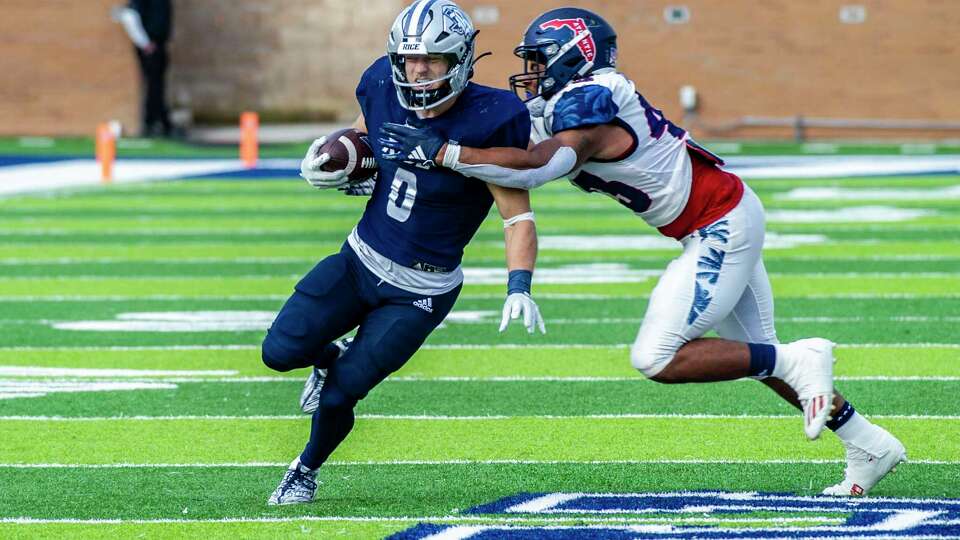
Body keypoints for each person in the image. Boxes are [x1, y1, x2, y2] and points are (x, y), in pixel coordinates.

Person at [378, 7, 906, 497]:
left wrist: (447, 153)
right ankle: (868, 444)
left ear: (573, 55)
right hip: (716, 219)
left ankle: (803, 357)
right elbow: (505, 148)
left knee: (658, 357)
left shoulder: (593, 97)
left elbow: (540, 166)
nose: (531, 72)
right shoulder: (563, 101)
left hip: (718, 223)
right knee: (758, 355)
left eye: (539, 60)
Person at [261, 0, 545, 506]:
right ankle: (324, 359)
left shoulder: (491, 119)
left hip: (421, 289)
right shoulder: (380, 85)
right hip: (360, 258)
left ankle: (305, 468)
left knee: (345, 391)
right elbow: (366, 133)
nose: (416, 70)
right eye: (409, 58)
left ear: (459, 60)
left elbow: (517, 215)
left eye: (431, 60)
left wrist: (518, 284)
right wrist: (341, 162)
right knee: (278, 352)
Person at [115, 0, 173, 137]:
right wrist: (145, 42)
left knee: (157, 84)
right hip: (150, 46)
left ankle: (161, 120)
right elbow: (130, 15)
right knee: (153, 84)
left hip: (157, 44)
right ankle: (153, 122)